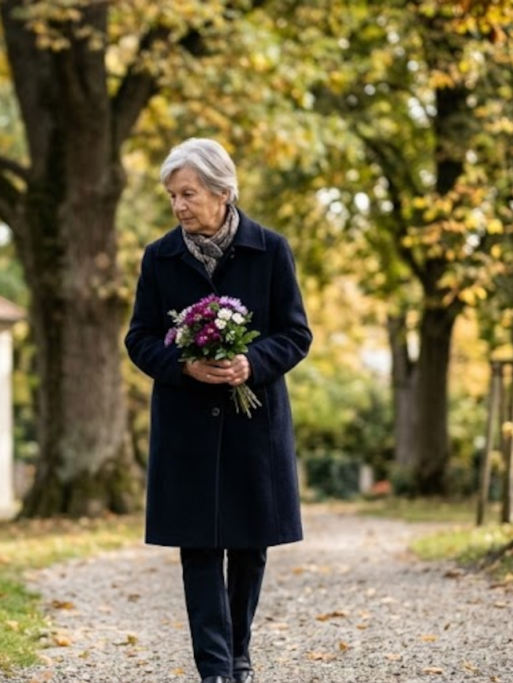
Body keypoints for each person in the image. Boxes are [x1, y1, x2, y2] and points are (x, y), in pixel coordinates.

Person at [124, 138, 313, 683]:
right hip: (186, 426)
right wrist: (182, 365)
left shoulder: (270, 250)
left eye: (189, 193)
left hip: (254, 423)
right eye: (172, 196)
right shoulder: (160, 256)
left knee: (250, 545)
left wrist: (251, 363)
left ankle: (238, 652)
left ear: (223, 192)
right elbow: (139, 337)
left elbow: (296, 333)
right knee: (199, 547)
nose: (179, 206)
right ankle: (214, 668)